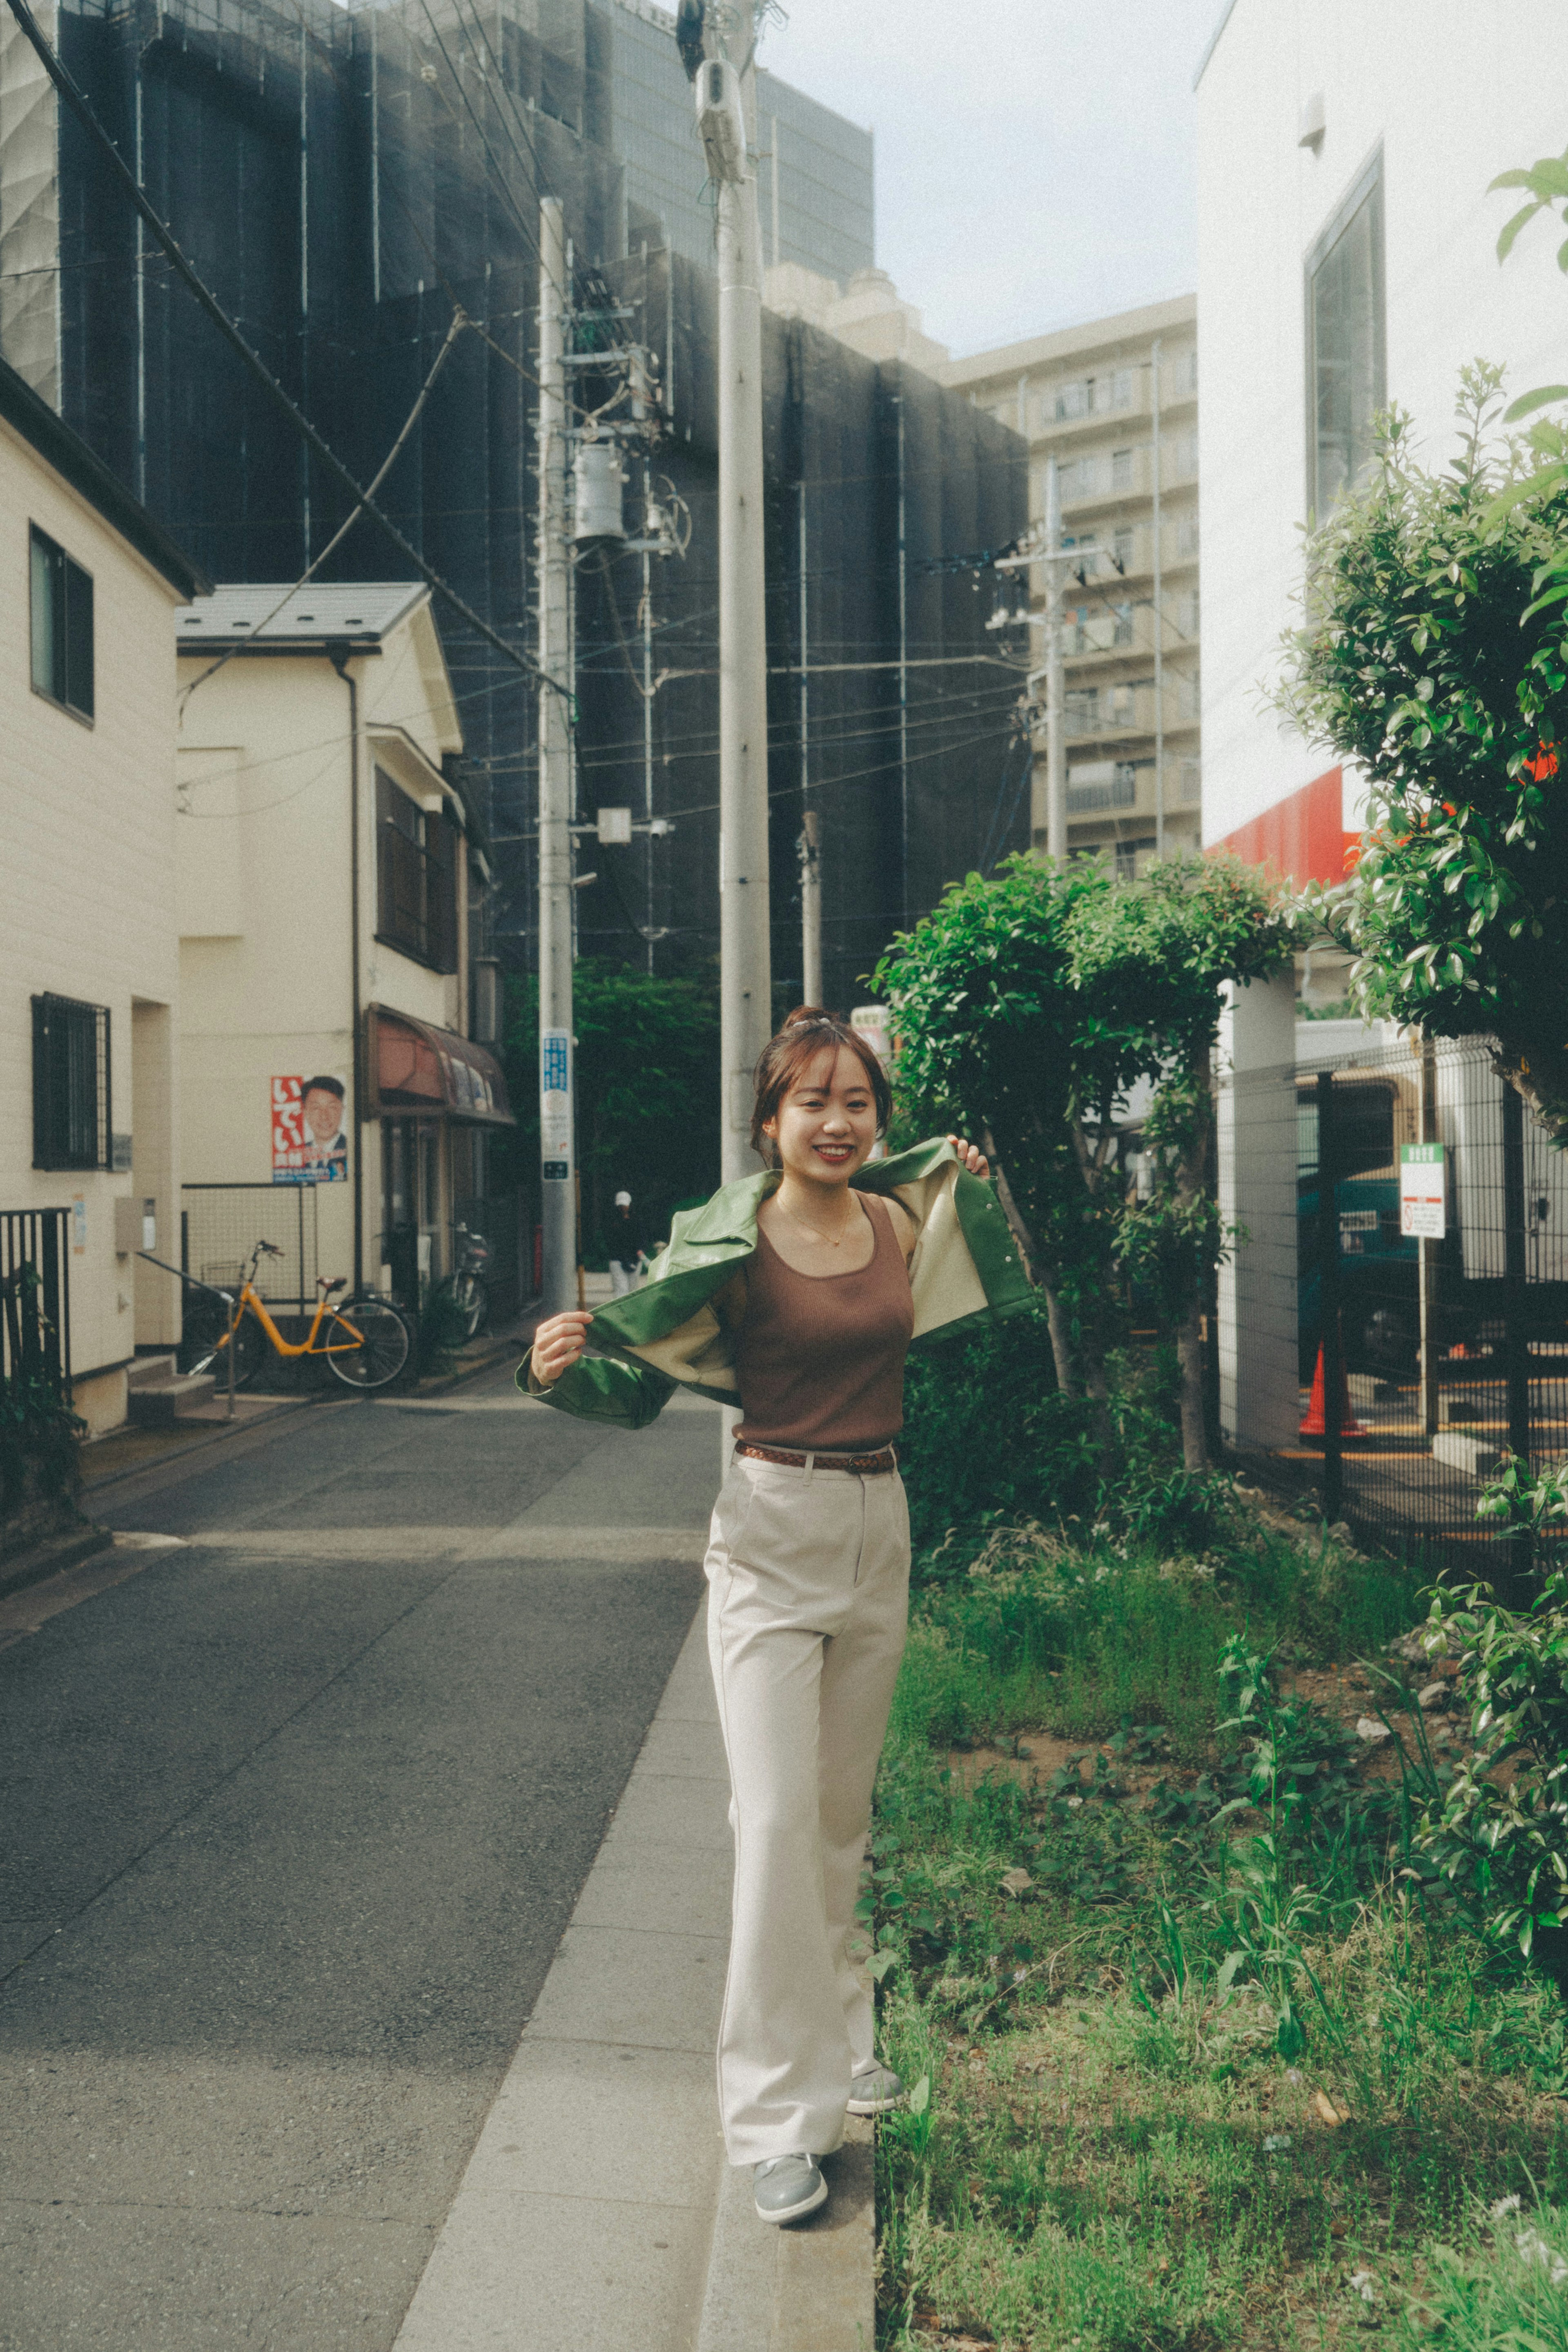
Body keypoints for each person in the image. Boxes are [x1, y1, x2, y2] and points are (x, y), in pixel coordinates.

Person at [524, 1010, 1029, 2227]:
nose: (837, 1118)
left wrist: (976, 1180)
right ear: (769, 1120)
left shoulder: (899, 1218)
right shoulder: (729, 1236)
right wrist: (559, 1368)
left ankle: (843, 2044)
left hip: (878, 1521)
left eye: (856, 1099)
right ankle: (772, 2122)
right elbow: (632, 1373)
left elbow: (979, 1269)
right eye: (811, 1100)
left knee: (839, 1820)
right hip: (769, 1528)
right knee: (775, 1821)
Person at [299, 1075, 348, 1181]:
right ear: (305, 1113)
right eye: (316, 1108)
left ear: (342, 1110)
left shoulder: (351, 1148)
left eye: (332, 1107)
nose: (324, 1116)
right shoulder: (297, 1154)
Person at [606, 1190, 645, 1296]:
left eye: (625, 1205)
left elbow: (642, 1238)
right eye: (621, 1205)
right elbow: (611, 1242)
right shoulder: (612, 1221)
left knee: (633, 1291)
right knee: (621, 1290)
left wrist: (640, 1251)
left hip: (635, 1260)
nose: (623, 1208)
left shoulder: (637, 1220)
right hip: (618, 1260)